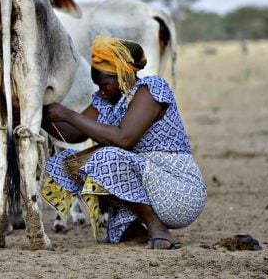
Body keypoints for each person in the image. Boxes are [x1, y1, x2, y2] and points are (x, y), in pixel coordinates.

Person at [41, 34, 206, 250]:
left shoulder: (151, 89)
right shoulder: (107, 99)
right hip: (145, 182)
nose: (100, 89)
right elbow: (74, 134)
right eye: (97, 84)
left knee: (105, 156)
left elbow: (124, 138)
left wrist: (68, 114)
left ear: (122, 74)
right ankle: (136, 229)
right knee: (68, 164)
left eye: (104, 83)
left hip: (177, 189)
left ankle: (156, 227)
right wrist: (37, 113)